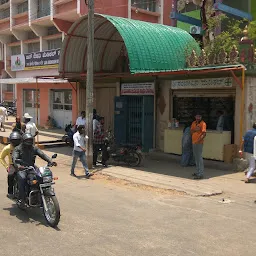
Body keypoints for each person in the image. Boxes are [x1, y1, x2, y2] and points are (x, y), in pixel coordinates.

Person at [12, 133, 57, 208]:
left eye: (30, 140)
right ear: (23, 141)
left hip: (31, 167)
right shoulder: (18, 149)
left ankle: (39, 195)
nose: (29, 142)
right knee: (22, 179)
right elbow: (15, 158)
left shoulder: (34, 148)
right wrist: (19, 166)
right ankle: (21, 199)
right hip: (22, 168)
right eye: (27, 140)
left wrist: (50, 161)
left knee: (40, 177)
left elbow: (42, 154)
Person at [0, 132, 22, 198]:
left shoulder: (22, 147)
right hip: (12, 165)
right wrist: (6, 166)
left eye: (17, 141)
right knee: (10, 175)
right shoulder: (7, 148)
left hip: (22, 164)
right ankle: (10, 192)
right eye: (14, 141)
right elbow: (1, 157)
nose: (15, 143)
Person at [190, 113, 207, 179]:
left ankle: (201, 173)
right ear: (195, 117)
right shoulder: (193, 123)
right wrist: (195, 129)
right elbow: (191, 132)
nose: (198, 118)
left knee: (199, 157)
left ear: (201, 117)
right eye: (197, 116)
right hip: (193, 142)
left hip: (199, 143)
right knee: (196, 157)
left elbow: (204, 134)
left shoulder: (203, 123)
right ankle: (197, 172)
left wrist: (199, 140)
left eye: (199, 116)